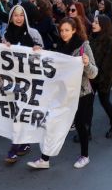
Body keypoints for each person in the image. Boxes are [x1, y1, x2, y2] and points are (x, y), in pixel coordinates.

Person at [28, 17, 98, 170]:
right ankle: (44, 158)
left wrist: (86, 63)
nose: (64, 33)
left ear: (74, 30)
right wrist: (40, 53)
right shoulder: (59, 46)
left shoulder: (83, 46)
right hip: (62, 93)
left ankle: (85, 156)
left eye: (67, 30)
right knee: (53, 123)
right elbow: (52, 62)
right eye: (61, 31)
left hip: (81, 94)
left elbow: (94, 73)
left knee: (80, 126)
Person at [2, 4, 44, 164]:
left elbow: (45, 56)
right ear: (11, 18)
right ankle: (24, 143)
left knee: (20, 114)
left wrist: (38, 49)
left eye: (21, 15)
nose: (18, 18)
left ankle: (13, 149)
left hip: (30, 82)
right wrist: (4, 47)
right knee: (18, 114)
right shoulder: (6, 34)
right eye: (15, 15)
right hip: (12, 81)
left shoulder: (33, 33)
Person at [90, 15, 112, 138]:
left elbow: (109, 66)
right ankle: (87, 131)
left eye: (96, 22)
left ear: (103, 25)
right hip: (91, 77)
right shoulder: (93, 37)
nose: (93, 24)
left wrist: (103, 82)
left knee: (105, 102)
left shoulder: (110, 41)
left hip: (103, 79)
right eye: (93, 21)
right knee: (88, 105)